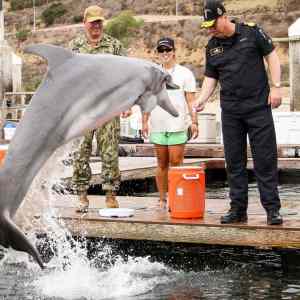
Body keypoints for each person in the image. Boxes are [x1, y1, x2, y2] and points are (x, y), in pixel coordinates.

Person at [195, 0, 283, 225]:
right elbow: (210, 78)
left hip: (258, 108)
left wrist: (276, 86)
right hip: (231, 112)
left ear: (224, 16)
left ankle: (272, 210)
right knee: (234, 162)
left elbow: (272, 56)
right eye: (207, 26)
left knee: (265, 160)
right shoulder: (212, 46)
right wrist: (201, 100)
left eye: (213, 23)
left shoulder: (252, 33)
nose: (211, 29)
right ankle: (238, 209)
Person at [70, 5, 131, 212]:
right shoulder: (75, 47)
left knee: (110, 152)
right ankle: (82, 196)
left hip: (109, 108)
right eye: (92, 22)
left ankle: (111, 194)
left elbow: (127, 75)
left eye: (99, 22)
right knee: (80, 152)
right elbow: (66, 78)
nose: (96, 26)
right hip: (82, 110)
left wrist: (127, 102)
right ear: (84, 23)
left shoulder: (114, 46)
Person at [142, 37, 198, 208]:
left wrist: (194, 122)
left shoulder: (185, 73)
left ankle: (176, 198)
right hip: (158, 125)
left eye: (168, 50)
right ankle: (162, 199)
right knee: (161, 163)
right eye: (161, 51)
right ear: (157, 53)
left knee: (176, 163)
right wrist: (144, 121)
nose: (165, 53)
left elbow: (191, 101)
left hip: (178, 125)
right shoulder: (152, 74)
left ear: (174, 51)